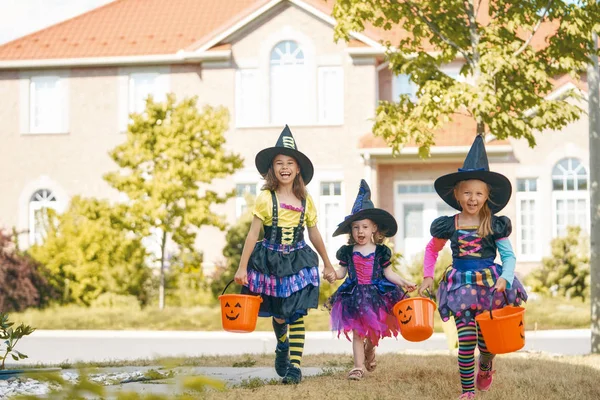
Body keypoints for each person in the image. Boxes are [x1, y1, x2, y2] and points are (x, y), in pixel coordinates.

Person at [418, 135, 528, 399]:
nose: (472, 198)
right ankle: (468, 392)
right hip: (461, 287)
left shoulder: (494, 224)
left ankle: (487, 364)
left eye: (479, 193)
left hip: (490, 286)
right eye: (467, 192)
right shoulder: (450, 224)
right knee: (466, 343)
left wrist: (506, 277)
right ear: (457, 194)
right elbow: (432, 250)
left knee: (487, 343)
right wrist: (427, 277)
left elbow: (509, 256)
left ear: (487, 195)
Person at [234, 125, 336, 384]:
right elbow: (252, 235)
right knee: (280, 313)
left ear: (298, 168)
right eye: (279, 163)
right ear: (273, 169)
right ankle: (282, 344)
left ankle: (295, 366)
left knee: (298, 312)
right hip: (271, 260)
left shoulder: (306, 199)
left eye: (290, 162)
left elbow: (314, 233)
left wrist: (327, 263)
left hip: (299, 259)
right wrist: (242, 267)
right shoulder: (266, 198)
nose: (285, 167)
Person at [326, 179, 416, 381]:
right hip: (354, 295)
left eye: (365, 227)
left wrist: (403, 282)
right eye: (356, 227)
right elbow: (342, 272)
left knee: (374, 330)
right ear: (351, 231)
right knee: (358, 331)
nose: (360, 232)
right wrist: (333, 274)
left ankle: (370, 350)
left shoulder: (381, 251)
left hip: (377, 295)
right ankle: (358, 367)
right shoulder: (347, 251)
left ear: (374, 228)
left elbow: (388, 274)